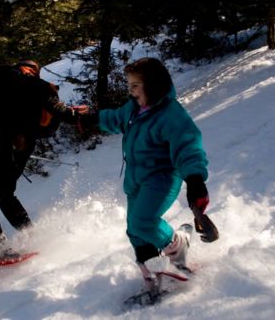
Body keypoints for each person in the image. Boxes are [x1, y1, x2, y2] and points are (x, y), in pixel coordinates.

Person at [0, 42, 86, 263]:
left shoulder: (2, 75)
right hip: (17, 146)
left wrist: (70, 115)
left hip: (14, 147)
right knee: (3, 193)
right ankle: (32, 238)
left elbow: (40, 91)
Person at [87, 57, 209, 291]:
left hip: (161, 179)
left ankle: (178, 246)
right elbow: (114, 119)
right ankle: (152, 278)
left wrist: (194, 179)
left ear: (152, 85)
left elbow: (189, 146)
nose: (130, 92)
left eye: (135, 86)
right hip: (136, 180)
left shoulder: (171, 114)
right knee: (134, 229)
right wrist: (83, 117)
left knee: (143, 222)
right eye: (129, 85)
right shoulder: (134, 109)